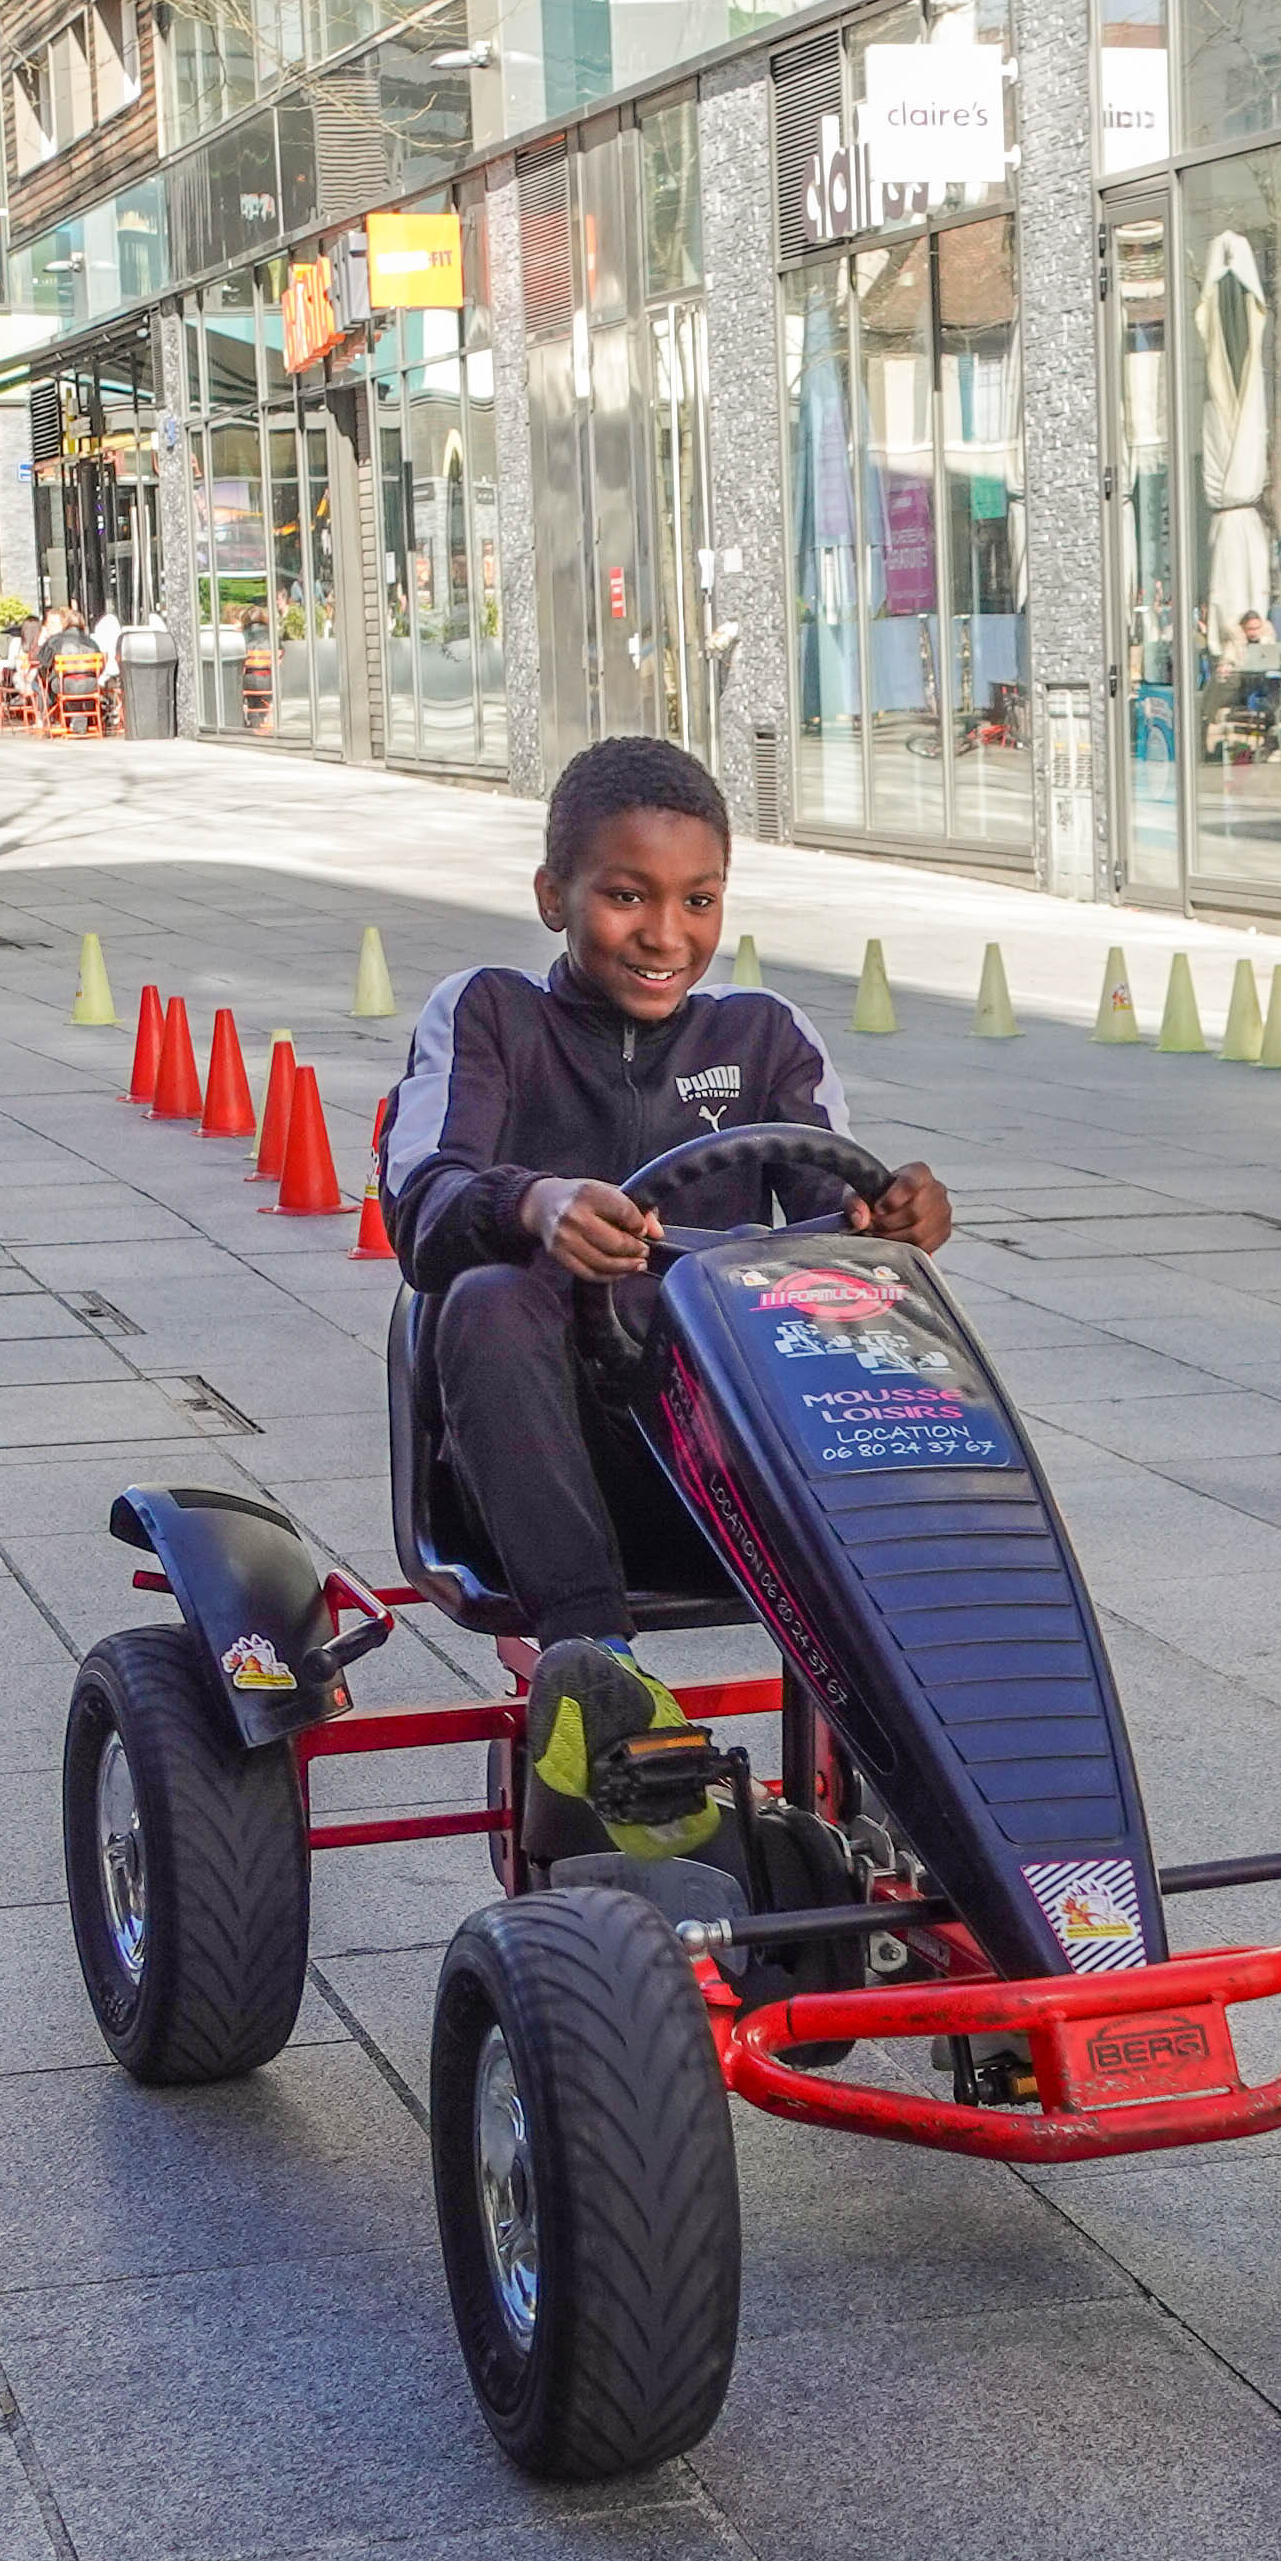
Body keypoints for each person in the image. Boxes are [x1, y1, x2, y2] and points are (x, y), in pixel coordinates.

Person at [385, 736, 954, 1857]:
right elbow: (422, 1206)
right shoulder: (492, 1016)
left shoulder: (761, 1037)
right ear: (556, 896)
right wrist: (535, 1204)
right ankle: (600, 1680)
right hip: (542, 1472)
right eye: (626, 896)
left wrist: (891, 1224)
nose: (664, 933)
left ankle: (930, 1685)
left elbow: (829, 1218)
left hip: (727, 1476)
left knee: (859, 1312)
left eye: (697, 900)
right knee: (490, 1293)